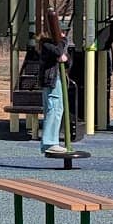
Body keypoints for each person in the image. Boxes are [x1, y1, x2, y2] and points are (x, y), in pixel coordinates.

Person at [37, 9, 72, 155]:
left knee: (58, 109)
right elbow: (58, 52)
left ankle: (49, 143)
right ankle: (50, 142)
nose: (64, 35)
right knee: (54, 109)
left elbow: (67, 61)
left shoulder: (56, 45)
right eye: (62, 32)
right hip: (51, 81)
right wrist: (63, 42)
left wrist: (65, 56)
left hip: (57, 79)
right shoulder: (46, 44)